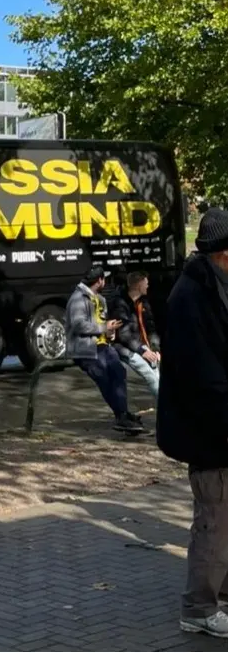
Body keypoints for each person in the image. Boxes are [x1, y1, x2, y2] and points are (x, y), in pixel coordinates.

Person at [158, 207, 228, 638]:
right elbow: (203, 377)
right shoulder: (190, 297)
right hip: (209, 433)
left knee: (225, 522)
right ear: (223, 254)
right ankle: (200, 607)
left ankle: (220, 596)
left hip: (218, 426)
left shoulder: (214, 286)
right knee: (213, 523)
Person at [65, 264, 143, 434]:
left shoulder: (100, 299)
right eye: (104, 279)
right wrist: (103, 327)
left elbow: (103, 322)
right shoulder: (78, 299)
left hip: (103, 345)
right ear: (99, 280)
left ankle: (123, 414)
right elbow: (79, 325)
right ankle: (121, 415)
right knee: (104, 376)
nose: (105, 282)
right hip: (85, 349)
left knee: (119, 371)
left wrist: (110, 332)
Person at [108, 270, 160, 399]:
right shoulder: (119, 303)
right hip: (124, 347)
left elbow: (151, 327)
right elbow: (123, 334)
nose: (148, 285)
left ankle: (165, 406)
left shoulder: (143, 302)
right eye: (146, 283)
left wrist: (155, 349)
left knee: (156, 372)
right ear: (138, 285)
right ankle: (166, 406)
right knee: (148, 373)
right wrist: (142, 351)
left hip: (141, 344)